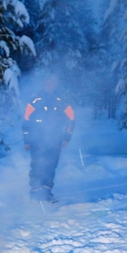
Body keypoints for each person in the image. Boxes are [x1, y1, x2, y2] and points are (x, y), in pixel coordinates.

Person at [22, 74, 75, 203]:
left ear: (56, 84)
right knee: (37, 165)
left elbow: (71, 119)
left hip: (55, 139)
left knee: (50, 166)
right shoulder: (35, 100)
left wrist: (67, 138)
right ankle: (35, 193)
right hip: (37, 139)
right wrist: (27, 140)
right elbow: (26, 120)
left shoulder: (62, 100)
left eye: (53, 82)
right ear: (44, 83)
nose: (50, 85)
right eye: (48, 82)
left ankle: (46, 194)